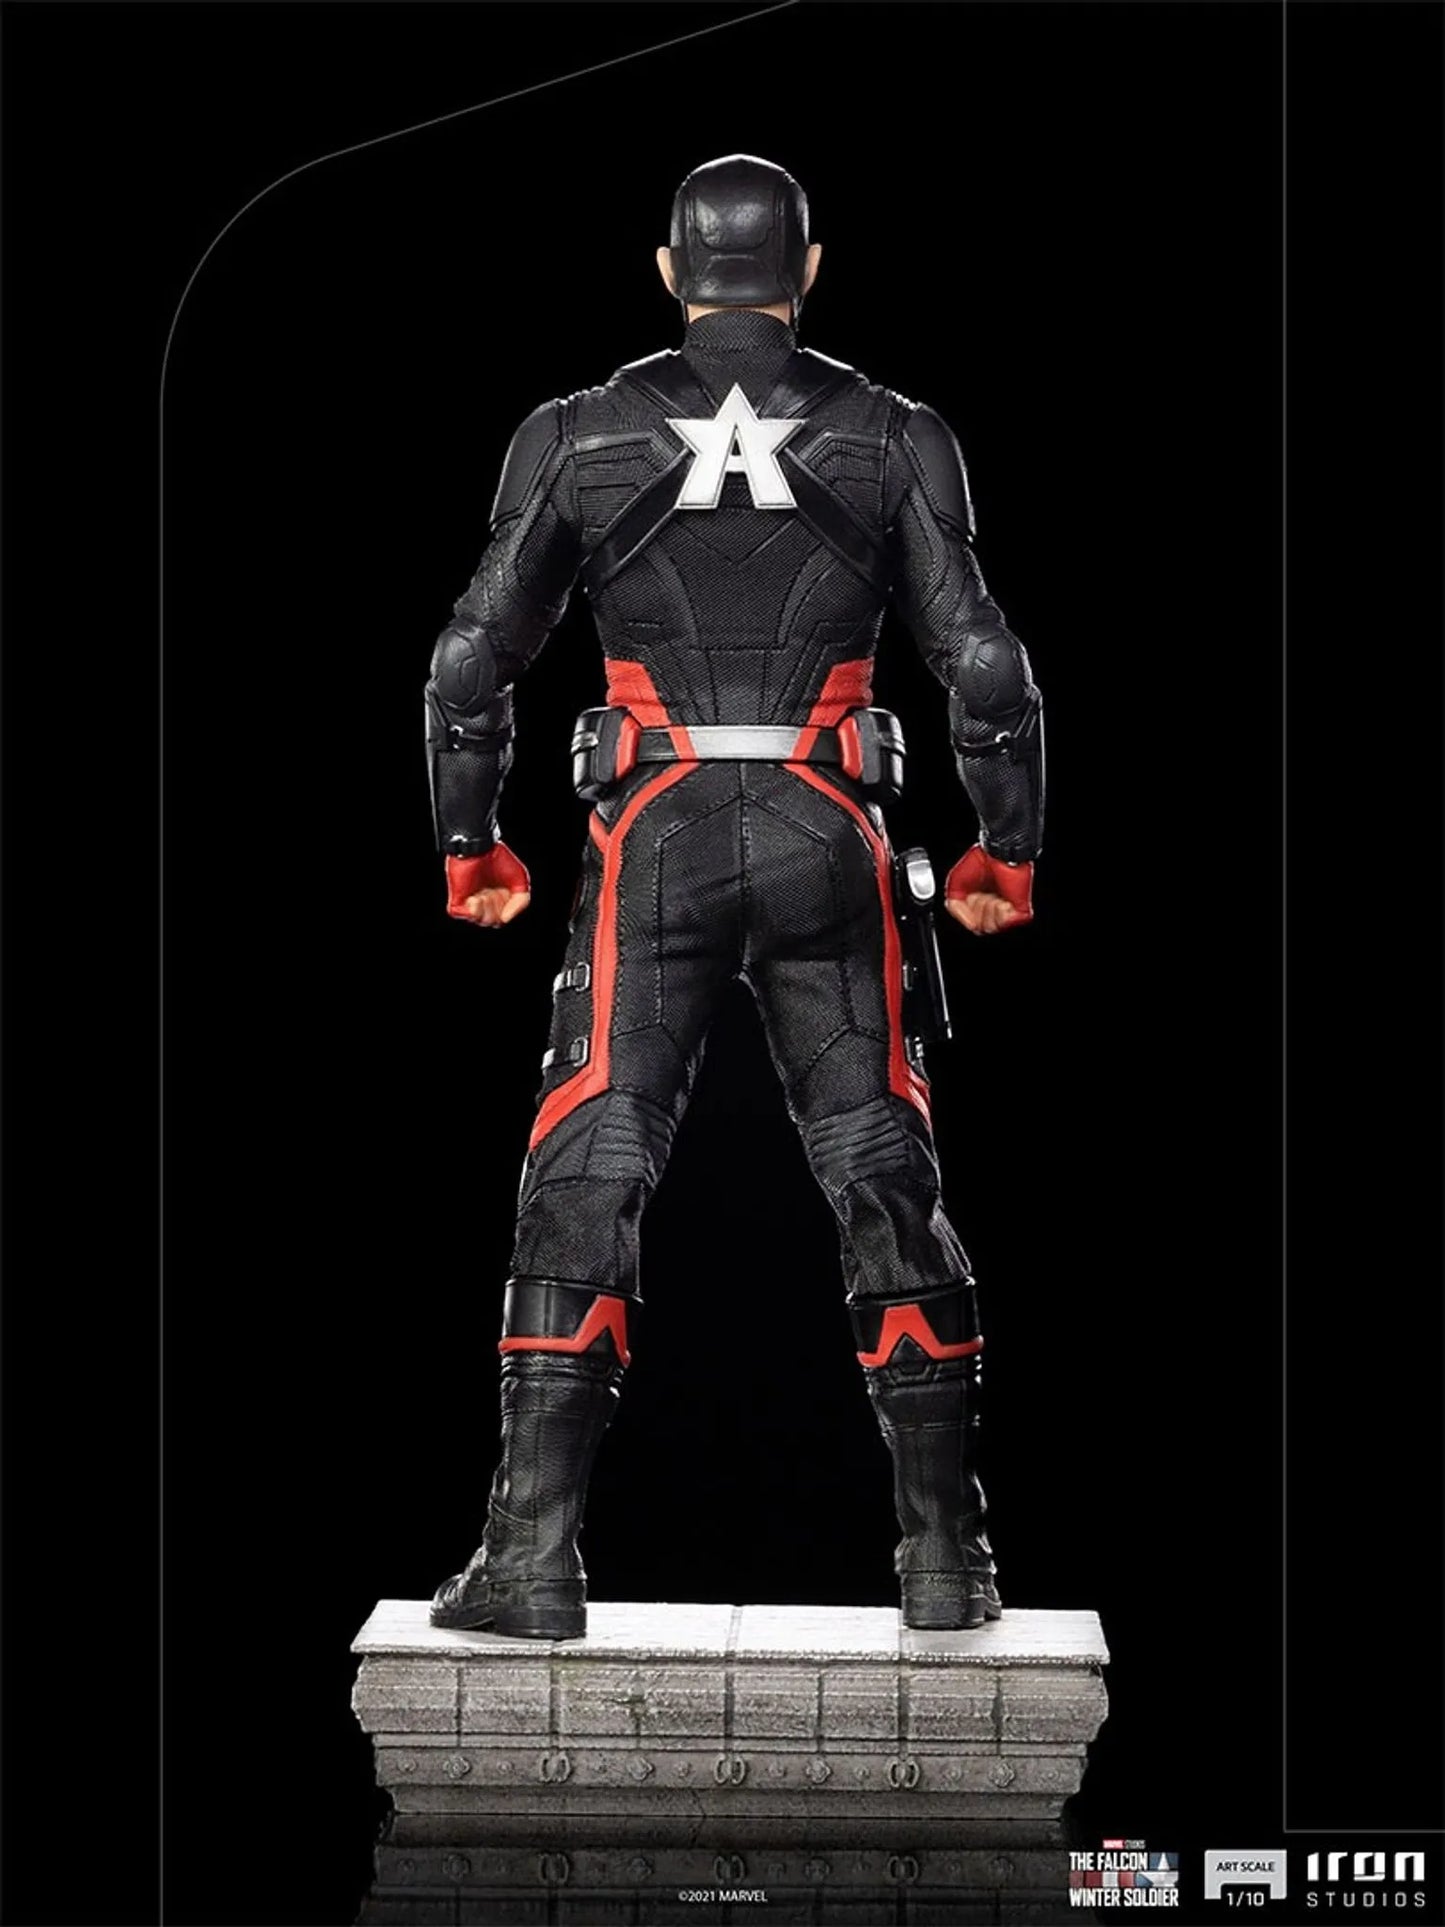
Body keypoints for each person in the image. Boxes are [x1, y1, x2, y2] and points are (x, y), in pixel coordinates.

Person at [424, 154, 1044, 1640]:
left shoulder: (577, 433)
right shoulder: (894, 433)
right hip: (832, 825)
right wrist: (1004, 851)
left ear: (669, 273)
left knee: (591, 1157)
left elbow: (466, 666)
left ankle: (530, 1561)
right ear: (807, 271)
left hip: (658, 839)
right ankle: (946, 1563)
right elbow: (986, 671)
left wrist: (470, 844)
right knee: (881, 1163)